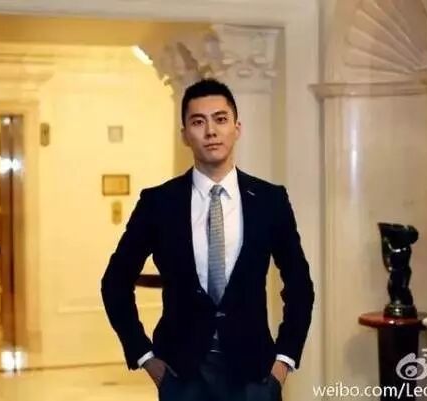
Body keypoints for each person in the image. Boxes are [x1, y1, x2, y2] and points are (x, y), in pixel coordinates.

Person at [101, 78, 314, 401]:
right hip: (181, 375)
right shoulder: (159, 203)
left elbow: (300, 285)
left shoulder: (270, 200)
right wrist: (145, 356)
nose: (211, 131)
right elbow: (115, 282)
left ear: (237, 128)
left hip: (255, 375)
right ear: (185, 134)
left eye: (220, 119)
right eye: (198, 122)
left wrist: (283, 361)